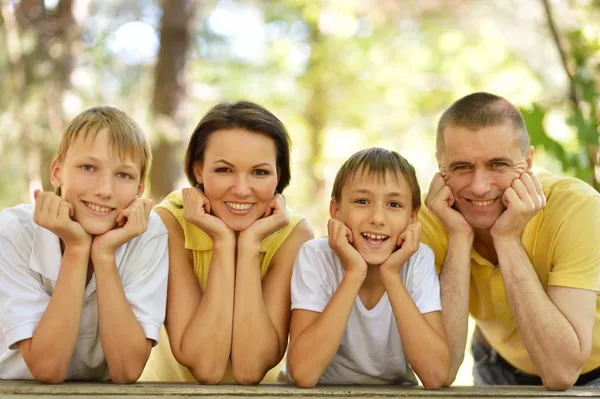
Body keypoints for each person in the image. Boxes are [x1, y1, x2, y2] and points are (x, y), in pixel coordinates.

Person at [421, 92, 600, 390]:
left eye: (498, 164)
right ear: (440, 165)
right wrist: (459, 237)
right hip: (497, 365)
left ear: (527, 162)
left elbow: (561, 372)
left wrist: (506, 239)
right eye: (462, 166)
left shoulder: (578, 208)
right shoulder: (431, 215)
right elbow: (442, 370)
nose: (479, 187)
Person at [139, 101, 313, 385]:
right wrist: (222, 242)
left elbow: (249, 369)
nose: (242, 189)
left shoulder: (293, 234)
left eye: (259, 172)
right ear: (198, 170)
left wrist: (248, 246)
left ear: (278, 176)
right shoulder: (170, 223)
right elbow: (207, 367)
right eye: (224, 170)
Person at [0, 106, 169, 383]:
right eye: (88, 167)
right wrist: (77, 250)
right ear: (56, 173)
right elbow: (47, 368)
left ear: (139, 189)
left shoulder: (148, 235)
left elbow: (127, 370)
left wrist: (104, 255)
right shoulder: (12, 232)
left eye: (124, 175)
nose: (105, 189)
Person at [286, 147, 450, 388]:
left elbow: (436, 376)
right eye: (362, 201)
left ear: (413, 218)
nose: (378, 218)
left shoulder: (418, 259)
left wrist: (391, 274)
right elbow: (303, 373)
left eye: (394, 204)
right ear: (336, 211)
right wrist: (354, 273)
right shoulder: (315, 256)